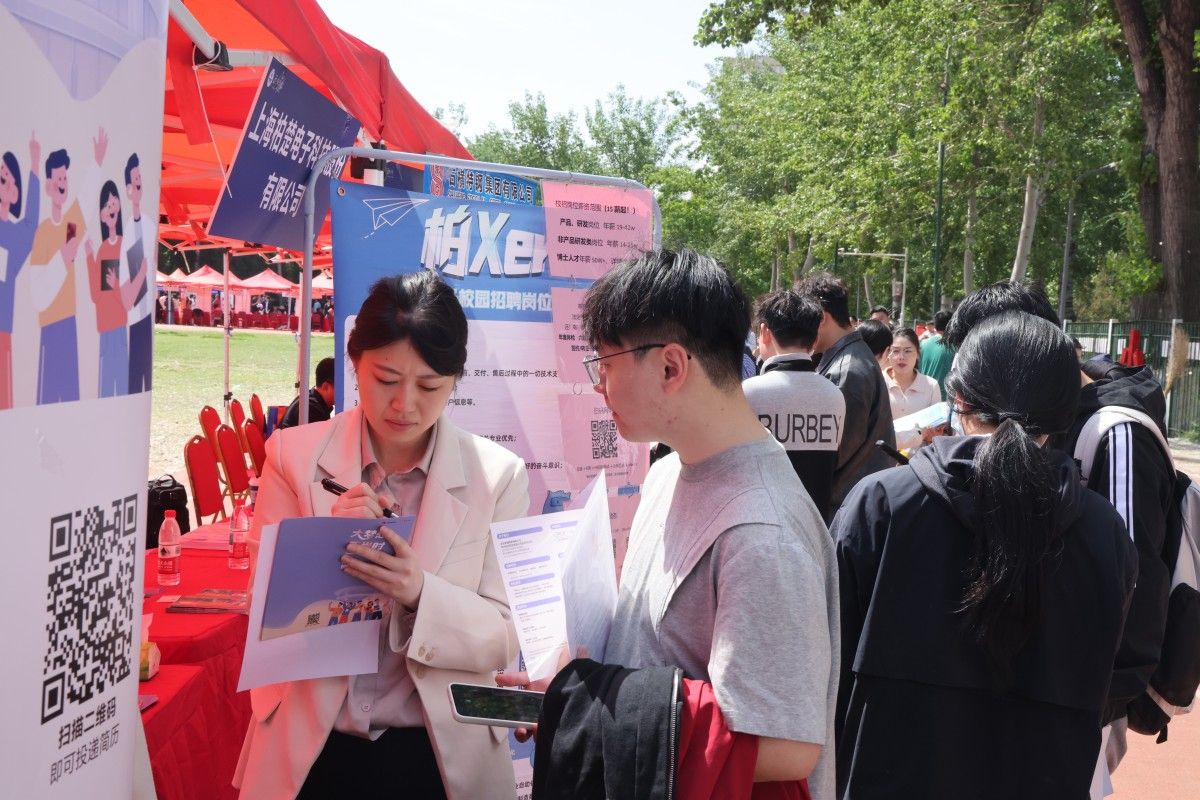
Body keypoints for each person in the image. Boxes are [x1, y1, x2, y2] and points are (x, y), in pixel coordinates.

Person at [521, 249, 839, 798]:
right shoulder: (667, 472)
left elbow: (785, 745)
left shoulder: (762, 533)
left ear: (671, 367)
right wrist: (567, 695)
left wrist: (586, 705)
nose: (599, 385)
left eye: (605, 364)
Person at [235, 271, 529, 800]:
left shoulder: (498, 477)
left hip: (437, 753)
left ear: (455, 381)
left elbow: (504, 634)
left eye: (429, 386)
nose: (404, 405)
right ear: (354, 363)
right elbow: (261, 613)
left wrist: (420, 592)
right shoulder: (293, 457)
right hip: (314, 746)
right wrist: (326, 549)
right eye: (386, 379)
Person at [832, 311, 1137, 799]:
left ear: (959, 400)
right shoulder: (1104, 531)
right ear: (1065, 412)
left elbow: (827, 664)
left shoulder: (883, 504)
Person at [945, 280, 1175, 795]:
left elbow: (1131, 583)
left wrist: (1092, 702)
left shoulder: (1114, 430)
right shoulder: (1044, 418)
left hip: (1074, 701)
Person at [743, 288, 845, 522]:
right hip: (815, 528)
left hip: (760, 525)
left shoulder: (749, 393)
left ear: (764, 332)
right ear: (815, 339)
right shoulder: (834, 396)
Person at [798, 271, 895, 508]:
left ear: (821, 318)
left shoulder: (846, 371)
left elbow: (831, 453)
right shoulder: (850, 358)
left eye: (804, 320)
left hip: (845, 505)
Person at [29, 130, 107, 404]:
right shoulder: (42, 233)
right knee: (49, 399)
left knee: (70, 397)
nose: (62, 184)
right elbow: (38, 295)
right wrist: (61, 258)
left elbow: (85, 201)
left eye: (65, 178)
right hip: (50, 330)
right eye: (58, 179)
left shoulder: (69, 225)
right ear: (48, 185)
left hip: (69, 325)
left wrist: (97, 162)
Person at [84, 180, 146, 397]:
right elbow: (96, 295)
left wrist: (116, 286)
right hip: (104, 327)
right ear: (102, 215)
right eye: (106, 205)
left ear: (119, 206)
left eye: (113, 203)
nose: (111, 208)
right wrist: (89, 256)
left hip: (118, 326)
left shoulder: (124, 245)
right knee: (105, 385)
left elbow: (131, 298)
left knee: (119, 382)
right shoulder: (102, 249)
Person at [0, 133, 40, 409]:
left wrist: (34, 167)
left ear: (15, 193)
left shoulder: (15, 236)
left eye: (6, 180)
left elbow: (31, 223)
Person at [122, 153, 154, 394]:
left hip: (145, 313)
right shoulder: (126, 230)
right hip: (130, 314)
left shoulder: (149, 225)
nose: (139, 183)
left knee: (143, 377)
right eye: (135, 180)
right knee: (133, 380)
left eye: (140, 178)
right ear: (128, 189)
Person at [883, 327, 942, 451]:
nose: (901, 357)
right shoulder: (878, 382)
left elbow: (936, 433)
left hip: (918, 459)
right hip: (882, 456)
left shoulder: (931, 386)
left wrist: (934, 433)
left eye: (908, 351)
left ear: (918, 353)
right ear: (888, 353)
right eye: (895, 351)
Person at [278, 356, 335, 429]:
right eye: (341, 386)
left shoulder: (309, 399)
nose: (343, 391)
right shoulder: (312, 410)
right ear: (326, 386)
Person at [919, 309, 954, 400]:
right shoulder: (954, 347)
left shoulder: (923, 344)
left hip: (922, 395)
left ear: (935, 325)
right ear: (953, 324)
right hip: (943, 399)